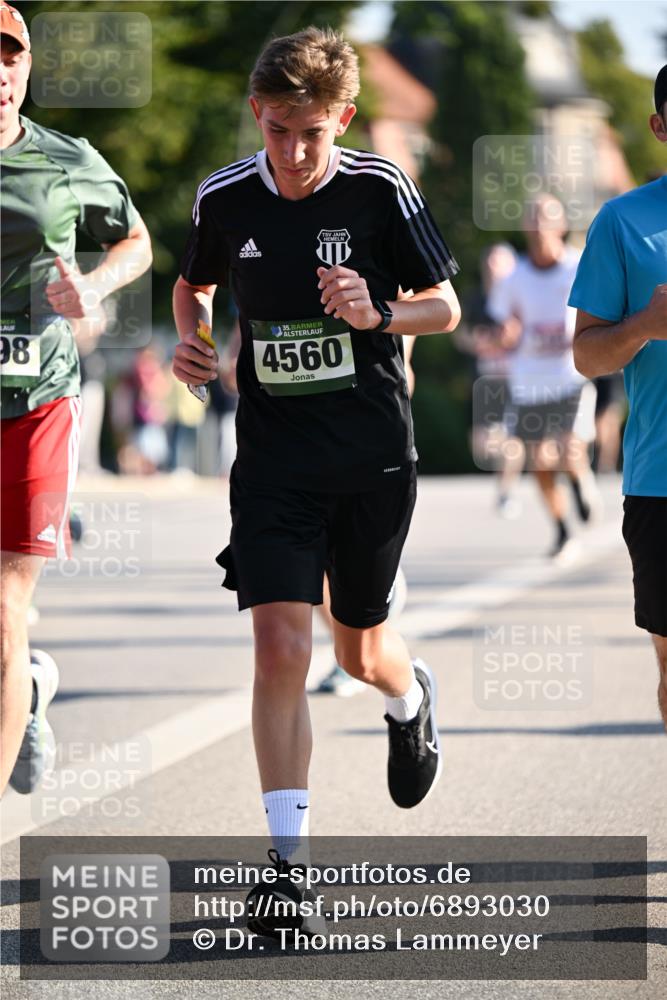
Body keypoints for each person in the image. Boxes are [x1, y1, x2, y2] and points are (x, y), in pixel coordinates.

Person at [172, 27, 460, 936]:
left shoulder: (379, 188)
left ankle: (407, 694)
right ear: (258, 113)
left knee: (354, 649)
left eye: (312, 133)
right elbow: (196, 286)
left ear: (341, 117)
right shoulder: (224, 198)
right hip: (273, 464)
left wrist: (379, 311)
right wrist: (193, 336)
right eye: (278, 131)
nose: (294, 154)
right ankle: (287, 867)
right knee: (279, 652)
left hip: (371, 456)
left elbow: (444, 306)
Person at [0, 4, 152, 795]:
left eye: (10, 58)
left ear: (25, 69)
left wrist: (89, 289)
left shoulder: (65, 161)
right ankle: (28, 689)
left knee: (3, 601)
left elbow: (137, 241)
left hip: (37, 402)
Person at [570, 65, 667, 729]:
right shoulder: (622, 222)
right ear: (659, 126)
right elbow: (585, 354)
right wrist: (642, 327)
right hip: (661, 481)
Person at [487, 195, 600, 561]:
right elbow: (501, 321)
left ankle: (582, 483)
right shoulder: (514, 277)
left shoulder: (578, 266)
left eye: (547, 218)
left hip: (570, 373)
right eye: (533, 219)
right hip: (529, 380)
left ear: (561, 225)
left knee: (568, 446)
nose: (539, 227)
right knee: (540, 462)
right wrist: (506, 331)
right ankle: (563, 528)